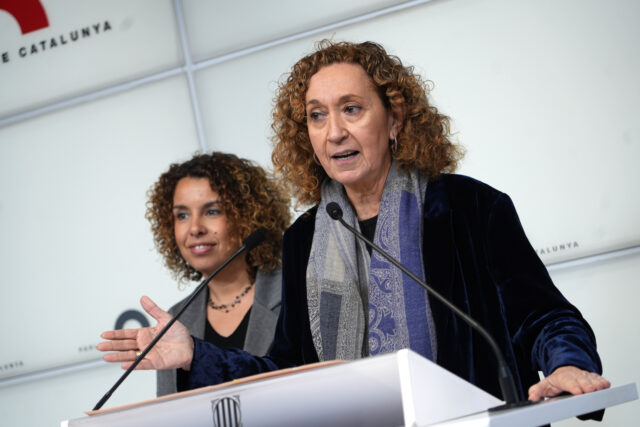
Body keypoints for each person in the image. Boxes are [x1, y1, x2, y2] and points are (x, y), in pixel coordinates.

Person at [98, 41, 610, 410]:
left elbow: (544, 317)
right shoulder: (303, 239)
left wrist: (567, 363)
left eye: (351, 109)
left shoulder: (469, 207)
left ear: (395, 118)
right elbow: (288, 374)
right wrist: (196, 355)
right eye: (317, 116)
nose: (334, 132)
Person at [144, 152, 290, 396]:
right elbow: (169, 411)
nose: (195, 228)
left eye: (211, 211)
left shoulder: (293, 291)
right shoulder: (177, 318)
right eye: (182, 215)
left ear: (247, 216)